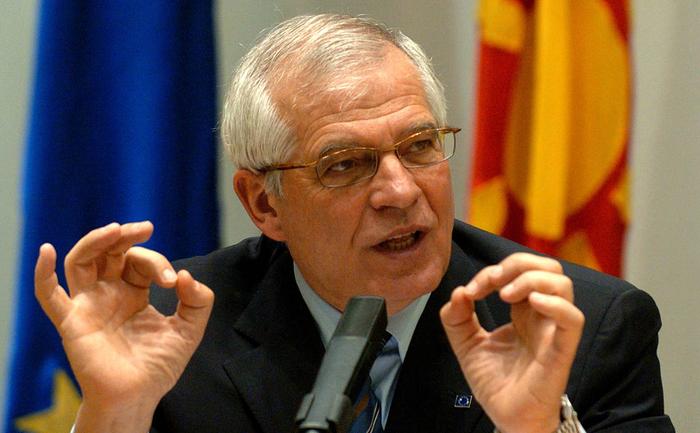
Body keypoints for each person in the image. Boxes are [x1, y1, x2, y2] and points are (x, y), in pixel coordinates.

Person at [34, 14, 674, 433]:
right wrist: (117, 410)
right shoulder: (174, 332)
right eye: (344, 164)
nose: (400, 191)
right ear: (264, 205)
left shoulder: (583, 331)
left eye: (420, 146)